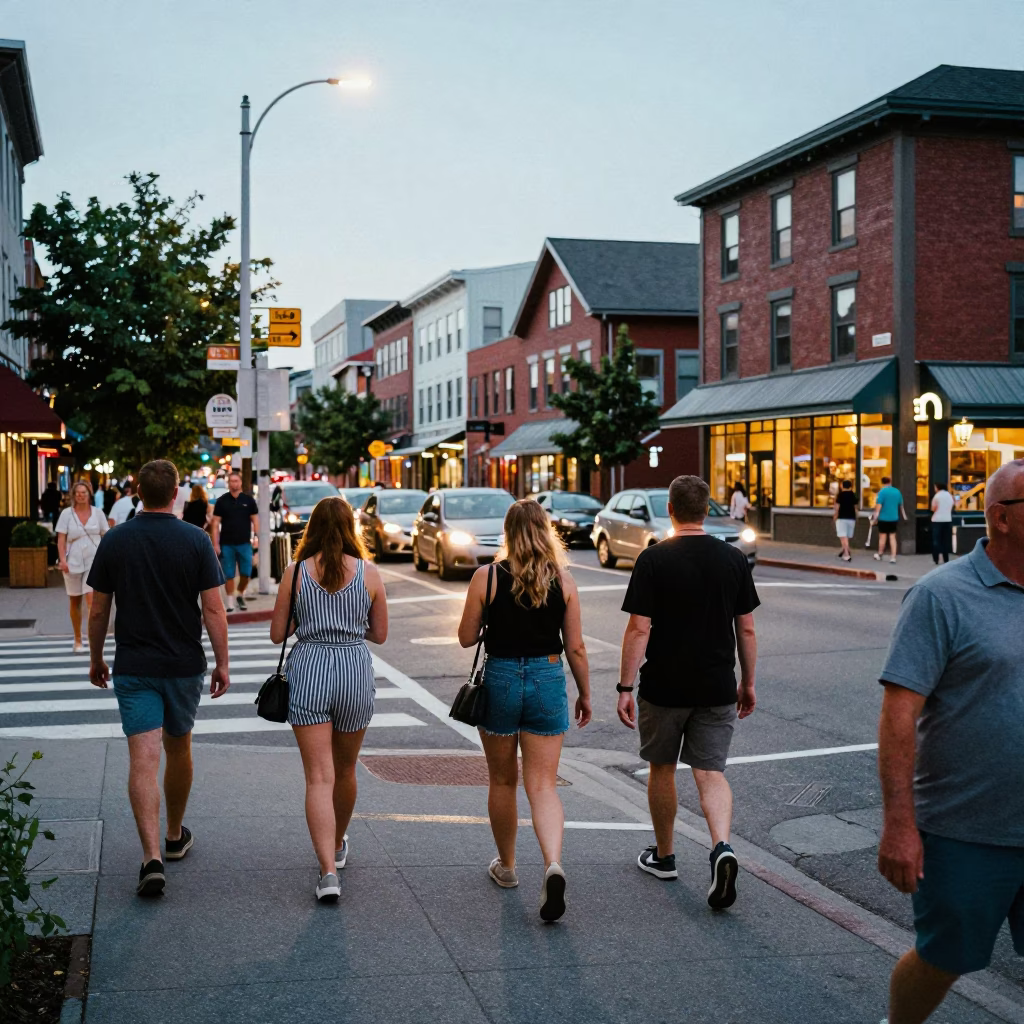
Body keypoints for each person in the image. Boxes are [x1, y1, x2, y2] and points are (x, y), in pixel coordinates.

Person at [876, 459, 1024, 1024]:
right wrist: (899, 825)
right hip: (965, 831)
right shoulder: (941, 596)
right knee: (944, 957)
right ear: (1001, 518)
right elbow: (898, 715)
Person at [86, 459, 229, 898]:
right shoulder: (195, 540)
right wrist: (222, 662)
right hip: (183, 664)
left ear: (137, 493)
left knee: (143, 759)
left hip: (134, 665)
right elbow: (213, 608)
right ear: (175, 494)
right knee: (179, 747)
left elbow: (98, 609)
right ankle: (173, 834)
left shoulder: (116, 539)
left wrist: (96, 658)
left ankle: (151, 858)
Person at [617, 475, 758, 909]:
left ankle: (665, 857)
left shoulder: (653, 559)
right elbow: (746, 629)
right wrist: (748, 682)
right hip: (716, 686)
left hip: (664, 686)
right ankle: (722, 847)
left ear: (671, 510)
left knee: (662, 769)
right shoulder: (733, 559)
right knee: (710, 773)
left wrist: (625, 686)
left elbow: (639, 628)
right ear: (706, 509)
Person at [458, 500, 592, 923]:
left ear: (507, 533)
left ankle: (508, 866)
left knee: (502, 780)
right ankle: (552, 863)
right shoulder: (563, 580)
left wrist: (490, 620)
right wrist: (585, 693)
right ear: (545, 531)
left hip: (499, 678)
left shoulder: (486, 577)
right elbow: (575, 647)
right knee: (544, 785)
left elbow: (466, 637)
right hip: (547, 679)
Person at [270, 497, 387, 903]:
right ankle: (337, 843)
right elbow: (380, 634)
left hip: (309, 670)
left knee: (319, 777)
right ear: (351, 528)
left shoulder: (296, 573)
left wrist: (310, 620)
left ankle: (328, 873)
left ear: (312, 528)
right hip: (354, 670)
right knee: (346, 768)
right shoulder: (369, 573)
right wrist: (348, 627)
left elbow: (277, 633)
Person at [56, 481, 110, 653]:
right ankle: (77, 638)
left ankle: (92, 638)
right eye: (78, 492)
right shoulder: (66, 514)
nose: (81, 495)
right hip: (72, 561)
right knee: (75, 601)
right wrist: (62, 560)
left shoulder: (98, 513)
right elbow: (61, 539)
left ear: (89, 494)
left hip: (94, 560)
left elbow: (106, 535)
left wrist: (107, 558)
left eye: (84, 492)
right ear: (73, 495)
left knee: (91, 600)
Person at [212, 471, 258, 612]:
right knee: (229, 574)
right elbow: (215, 524)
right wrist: (215, 544)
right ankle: (230, 601)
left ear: (241, 482)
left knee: (246, 573)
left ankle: (240, 594)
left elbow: (255, 521)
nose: (234, 484)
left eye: (236, 481)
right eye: (232, 481)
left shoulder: (248, 501)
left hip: (245, 543)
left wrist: (257, 538)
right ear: (228, 483)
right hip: (227, 544)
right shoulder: (222, 501)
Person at [873, 476, 907, 563]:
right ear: (890, 482)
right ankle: (893, 557)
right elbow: (901, 506)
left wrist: (875, 518)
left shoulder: (882, 492)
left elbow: (879, 506)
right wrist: (904, 516)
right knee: (892, 537)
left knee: (882, 537)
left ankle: (880, 554)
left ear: (882, 483)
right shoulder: (897, 491)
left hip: (883, 518)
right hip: (894, 518)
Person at [833, 478, 858, 561]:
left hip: (842, 518)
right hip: (851, 518)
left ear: (842, 486)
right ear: (850, 486)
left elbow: (837, 507)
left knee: (843, 537)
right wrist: (856, 517)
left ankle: (846, 554)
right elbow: (856, 508)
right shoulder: (853, 495)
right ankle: (845, 550)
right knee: (847, 536)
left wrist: (835, 516)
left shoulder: (840, 495)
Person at [929, 482, 954, 565]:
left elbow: (933, 508)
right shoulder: (950, 496)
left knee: (936, 540)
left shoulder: (937, 496)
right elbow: (952, 506)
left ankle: (936, 559)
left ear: (937, 488)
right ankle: (946, 559)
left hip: (937, 520)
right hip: (947, 519)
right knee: (945, 540)